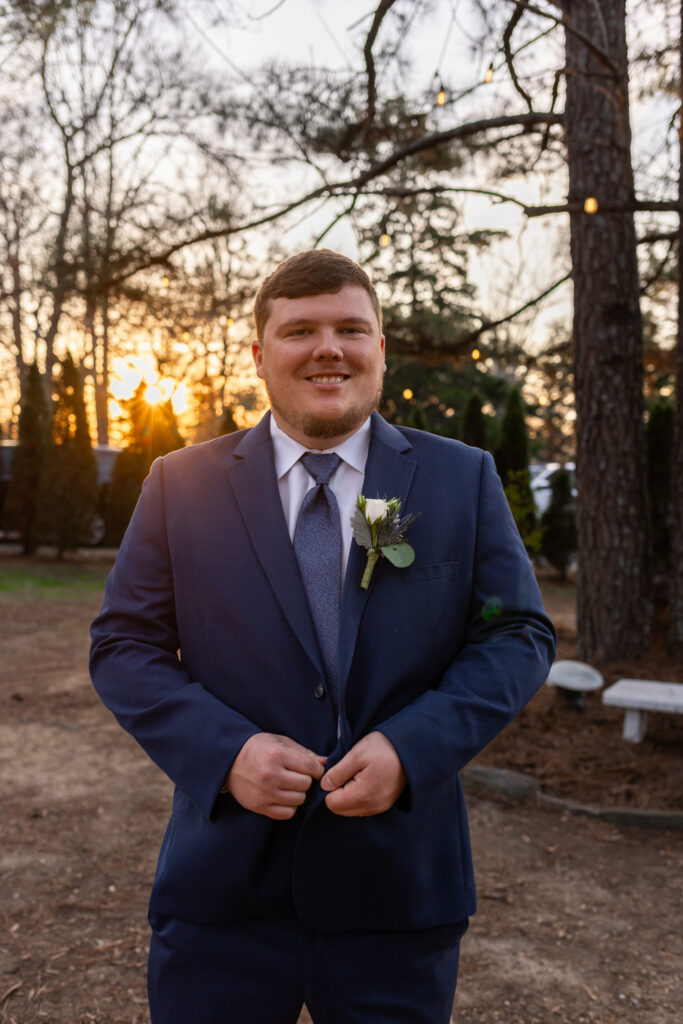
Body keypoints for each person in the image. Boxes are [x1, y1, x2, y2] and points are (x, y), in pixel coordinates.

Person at [90, 249, 556, 1024]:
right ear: (259, 355)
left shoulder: (459, 477)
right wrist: (225, 751)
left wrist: (414, 747)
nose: (328, 348)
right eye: (299, 329)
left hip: (399, 890)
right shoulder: (180, 482)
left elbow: (517, 633)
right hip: (223, 892)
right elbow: (123, 645)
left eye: (351, 328)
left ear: (380, 349)